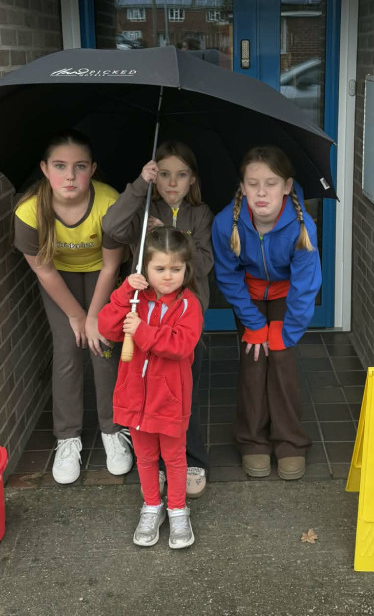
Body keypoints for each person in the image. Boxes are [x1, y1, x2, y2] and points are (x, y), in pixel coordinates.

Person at [13, 131, 132, 485]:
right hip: (58, 277)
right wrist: (77, 316)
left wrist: (93, 318)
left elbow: (111, 266)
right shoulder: (29, 211)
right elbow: (44, 271)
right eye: (60, 166)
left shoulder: (109, 202)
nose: (70, 176)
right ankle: (67, 437)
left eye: (80, 167)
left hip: (101, 274)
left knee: (102, 345)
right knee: (66, 347)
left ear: (92, 169)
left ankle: (113, 429)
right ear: (44, 169)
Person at [102, 141, 213, 497]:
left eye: (181, 175)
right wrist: (140, 185)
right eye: (164, 174)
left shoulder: (200, 214)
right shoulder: (142, 209)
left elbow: (204, 263)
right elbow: (111, 226)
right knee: (148, 391)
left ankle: (190, 458)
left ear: (192, 179)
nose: (172, 182)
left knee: (182, 394)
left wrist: (172, 238)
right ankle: (160, 465)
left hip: (183, 320)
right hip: (145, 318)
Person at [211, 146, 322, 481]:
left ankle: (290, 442)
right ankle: (252, 440)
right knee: (254, 358)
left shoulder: (301, 225)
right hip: (249, 295)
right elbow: (227, 276)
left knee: (282, 361)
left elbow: (306, 285)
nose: (261, 192)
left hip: (287, 294)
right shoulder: (226, 223)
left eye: (271, 183)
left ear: (286, 186)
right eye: (253, 183)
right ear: (242, 187)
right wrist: (254, 322)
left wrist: (287, 332)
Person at [98, 227, 203, 549]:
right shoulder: (134, 300)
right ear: (144, 268)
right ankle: (152, 506)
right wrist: (122, 293)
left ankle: (177, 509)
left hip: (169, 399)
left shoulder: (189, 305)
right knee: (144, 457)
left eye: (176, 268)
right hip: (135, 396)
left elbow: (180, 346)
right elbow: (107, 327)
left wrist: (142, 331)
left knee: (174, 458)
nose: (168, 276)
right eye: (159, 268)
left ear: (186, 269)